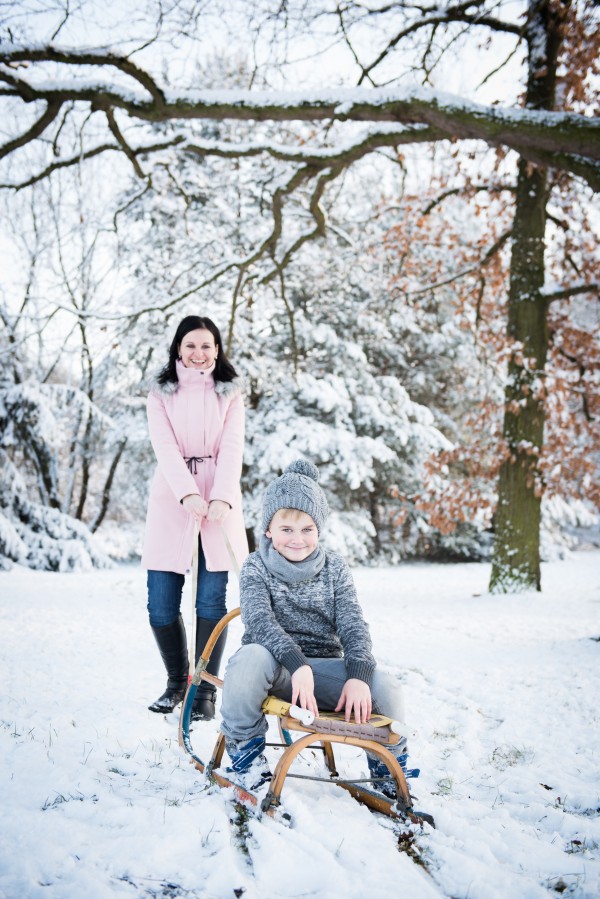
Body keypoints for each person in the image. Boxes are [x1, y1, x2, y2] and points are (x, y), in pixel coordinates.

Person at [220, 459, 417, 793]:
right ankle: (245, 757)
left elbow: (353, 624)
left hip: (323, 672)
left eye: (307, 529)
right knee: (246, 661)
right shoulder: (256, 566)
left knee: (388, 688)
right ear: (268, 529)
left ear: (319, 530)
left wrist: (358, 675)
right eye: (286, 529)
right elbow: (259, 620)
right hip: (275, 668)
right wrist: (296, 664)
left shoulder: (335, 569)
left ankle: (387, 770)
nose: (297, 539)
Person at [141, 315, 248, 721]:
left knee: (210, 601)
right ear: (178, 350)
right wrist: (186, 492)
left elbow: (232, 446)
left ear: (217, 349)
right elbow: (164, 446)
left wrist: (220, 497)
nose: (199, 353)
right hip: (172, 498)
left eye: (207, 346)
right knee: (161, 606)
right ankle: (176, 681)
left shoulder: (230, 394)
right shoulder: (160, 394)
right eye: (191, 346)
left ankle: (203, 693)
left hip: (219, 503)